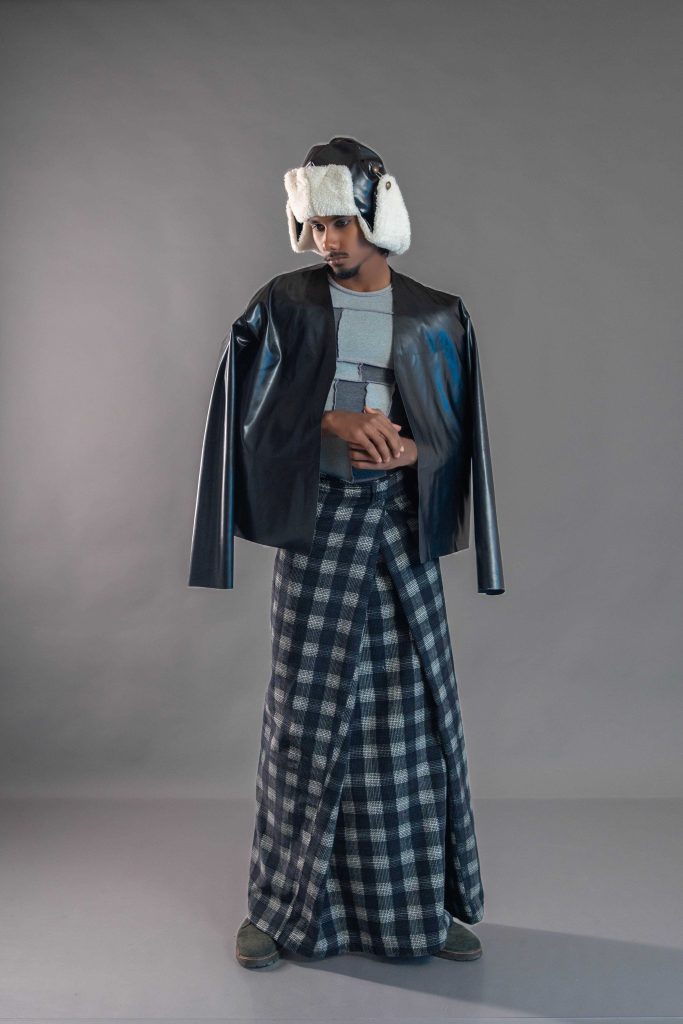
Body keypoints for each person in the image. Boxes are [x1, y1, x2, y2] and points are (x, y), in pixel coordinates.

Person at [188, 136, 505, 968]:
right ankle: (282, 909)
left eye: (341, 223)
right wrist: (328, 421)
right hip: (320, 522)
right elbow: (244, 411)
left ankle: (414, 910)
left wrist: (414, 451)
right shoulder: (283, 304)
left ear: (376, 215)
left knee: (410, 715)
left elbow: (455, 434)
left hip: (398, 524)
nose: (326, 241)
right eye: (316, 224)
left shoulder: (435, 314)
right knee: (305, 715)